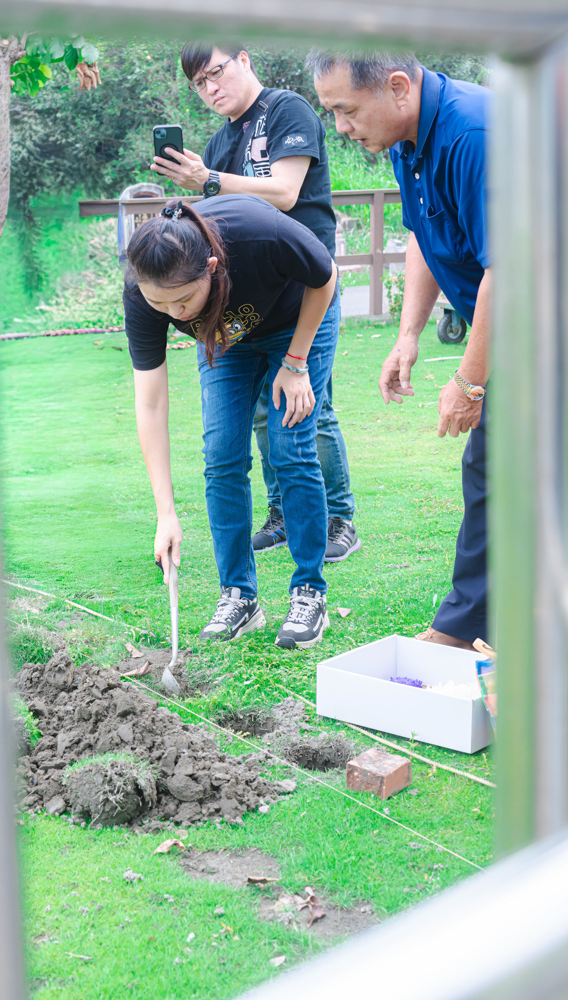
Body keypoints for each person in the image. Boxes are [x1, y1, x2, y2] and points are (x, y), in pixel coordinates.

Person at [149, 42, 360, 563]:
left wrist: (210, 181)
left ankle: (338, 518)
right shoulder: (220, 144)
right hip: (251, 296)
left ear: (244, 60)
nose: (211, 88)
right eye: (200, 84)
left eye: (216, 72)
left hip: (308, 284)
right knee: (266, 414)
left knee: (311, 408)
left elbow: (286, 192)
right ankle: (284, 514)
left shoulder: (288, 109)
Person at [310, 50, 491, 648]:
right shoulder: (408, 143)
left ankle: (463, 632)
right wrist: (408, 335)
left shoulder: (475, 135)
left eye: (346, 110)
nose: (341, 127)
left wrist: (469, 381)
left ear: (396, 87)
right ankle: (469, 629)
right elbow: (423, 232)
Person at [124, 194, 338, 649]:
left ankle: (309, 592)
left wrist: (296, 361)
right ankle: (239, 596)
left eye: (183, 299)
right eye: (160, 305)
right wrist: (165, 513)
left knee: (290, 446)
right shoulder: (145, 293)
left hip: (298, 318)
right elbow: (151, 404)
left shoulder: (258, 232)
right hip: (227, 337)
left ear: (213, 266)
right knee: (221, 455)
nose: (176, 314)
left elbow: (325, 277)